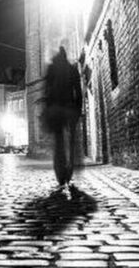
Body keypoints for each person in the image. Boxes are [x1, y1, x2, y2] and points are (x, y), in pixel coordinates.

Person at [43, 46, 82, 191]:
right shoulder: (72, 69)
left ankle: (60, 173)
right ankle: (69, 170)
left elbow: (46, 90)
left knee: (58, 141)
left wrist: (48, 108)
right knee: (71, 141)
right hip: (69, 108)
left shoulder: (51, 68)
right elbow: (78, 91)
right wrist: (78, 109)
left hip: (55, 109)